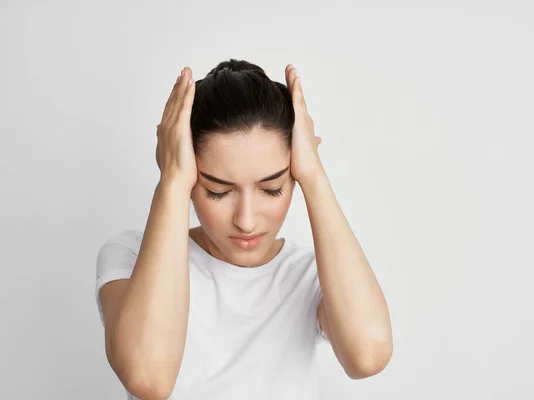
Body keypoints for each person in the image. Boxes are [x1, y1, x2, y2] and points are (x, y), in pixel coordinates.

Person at [95, 59, 393, 400]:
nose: (246, 220)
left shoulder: (309, 274)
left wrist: (314, 175)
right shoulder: (131, 257)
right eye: (218, 192)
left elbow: (368, 356)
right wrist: (173, 181)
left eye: (271, 189)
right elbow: (148, 379)